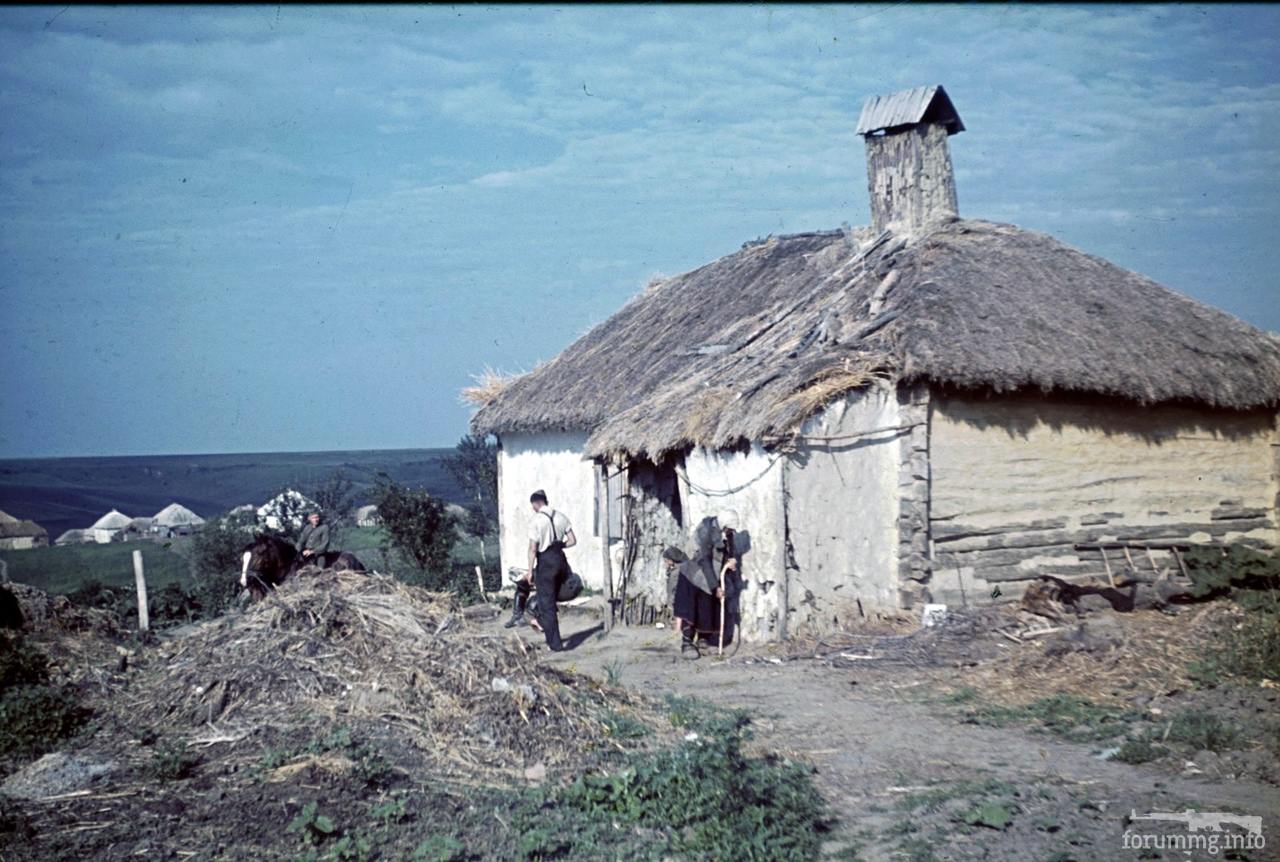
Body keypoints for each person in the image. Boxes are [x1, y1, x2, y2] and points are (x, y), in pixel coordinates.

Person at [524, 489, 576, 651]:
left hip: (545, 562)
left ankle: (555, 645)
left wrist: (530, 570)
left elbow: (533, 548)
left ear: (536, 503)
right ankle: (545, 625)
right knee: (550, 599)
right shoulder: (561, 517)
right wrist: (560, 545)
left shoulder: (536, 521)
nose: (533, 508)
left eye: (533, 505)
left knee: (546, 604)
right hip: (560, 559)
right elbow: (573, 541)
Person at [664, 543, 723, 659]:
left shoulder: (714, 562)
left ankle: (704, 638)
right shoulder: (686, 570)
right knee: (688, 609)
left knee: (707, 607)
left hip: (705, 587)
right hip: (689, 589)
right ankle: (687, 642)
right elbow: (676, 593)